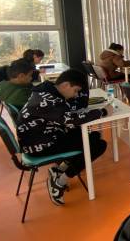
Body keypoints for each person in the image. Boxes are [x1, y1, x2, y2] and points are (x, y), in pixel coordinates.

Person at [16, 69, 112, 206]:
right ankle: (60, 181)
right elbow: (70, 119)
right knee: (98, 145)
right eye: (75, 90)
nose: (76, 94)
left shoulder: (47, 92)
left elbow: (65, 115)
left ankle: (59, 170)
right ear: (66, 85)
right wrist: (103, 111)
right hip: (39, 146)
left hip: (43, 136)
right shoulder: (47, 100)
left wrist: (81, 112)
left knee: (94, 136)